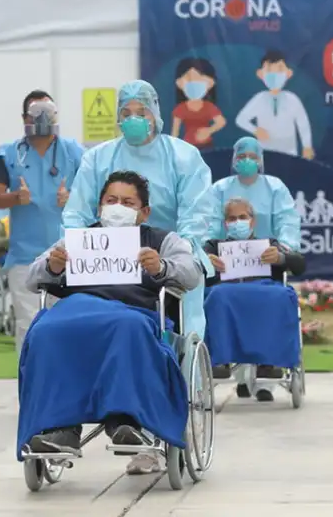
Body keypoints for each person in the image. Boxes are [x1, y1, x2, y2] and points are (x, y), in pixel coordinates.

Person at [63, 79, 215, 476]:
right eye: (126, 114)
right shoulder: (98, 159)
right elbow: (78, 211)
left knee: (168, 334)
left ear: (156, 113)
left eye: (141, 113)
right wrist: (74, 250)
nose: (134, 120)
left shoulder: (183, 158)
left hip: (164, 260)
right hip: (107, 262)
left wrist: (176, 256)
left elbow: (197, 214)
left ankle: (158, 425)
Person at [23, 170, 202, 453]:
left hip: (134, 310)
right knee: (47, 330)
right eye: (111, 200)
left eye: (128, 203)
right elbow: (31, 278)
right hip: (77, 309)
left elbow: (192, 274)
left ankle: (126, 420)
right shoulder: (78, 240)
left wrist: (162, 267)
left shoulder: (161, 240)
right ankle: (60, 428)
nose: (117, 208)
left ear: (144, 212)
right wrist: (53, 267)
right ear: (99, 207)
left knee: (127, 326)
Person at [0, 91, 84, 357]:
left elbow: (95, 196)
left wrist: (71, 199)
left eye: (47, 112)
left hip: (69, 254)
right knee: (28, 326)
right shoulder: (8, 153)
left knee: (68, 325)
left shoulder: (74, 151)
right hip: (24, 256)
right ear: (24, 117)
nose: (41, 117)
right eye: (35, 112)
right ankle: (30, 387)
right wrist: (16, 197)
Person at [204, 197, 306, 401]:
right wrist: (206, 262)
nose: (237, 222)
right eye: (232, 218)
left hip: (263, 291)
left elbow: (300, 264)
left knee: (280, 295)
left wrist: (281, 258)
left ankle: (269, 363)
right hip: (227, 292)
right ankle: (220, 360)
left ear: (252, 221)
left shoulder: (269, 245)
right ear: (225, 224)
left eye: (242, 217)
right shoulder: (213, 246)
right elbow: (190, 263)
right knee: (217, 296)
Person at [208, 136, 300, 251]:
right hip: (227, 256)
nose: (247, 160)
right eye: (241, 156)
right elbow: (211, 224)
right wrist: (209, 252)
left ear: (260, 161)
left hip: (270, 255)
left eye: (252, 157)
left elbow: (287, 221)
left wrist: (284, 249)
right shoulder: (219, 189)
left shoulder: (275, 187)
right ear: (234, 160)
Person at [235, 50, 314, 159]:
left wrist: (307, 147)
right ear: (260, 74)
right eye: (269, 70)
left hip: (289, 151)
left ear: (289, 73)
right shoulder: (260, 99)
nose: (274, 74)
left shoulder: (292, 99)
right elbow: (241, 119)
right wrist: (256, 130)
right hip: (265, 151)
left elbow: (303, 123)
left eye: (280, 69)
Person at [170, 57, 226, 149]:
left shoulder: (209, 107)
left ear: (211, 83)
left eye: (199, 78)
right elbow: (175, 132)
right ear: (179, 83)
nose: (194, 83)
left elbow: (221, 122)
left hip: (207, 145)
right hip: (188, 147)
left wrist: (208, 131)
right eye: (189, 78)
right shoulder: (180, 109)